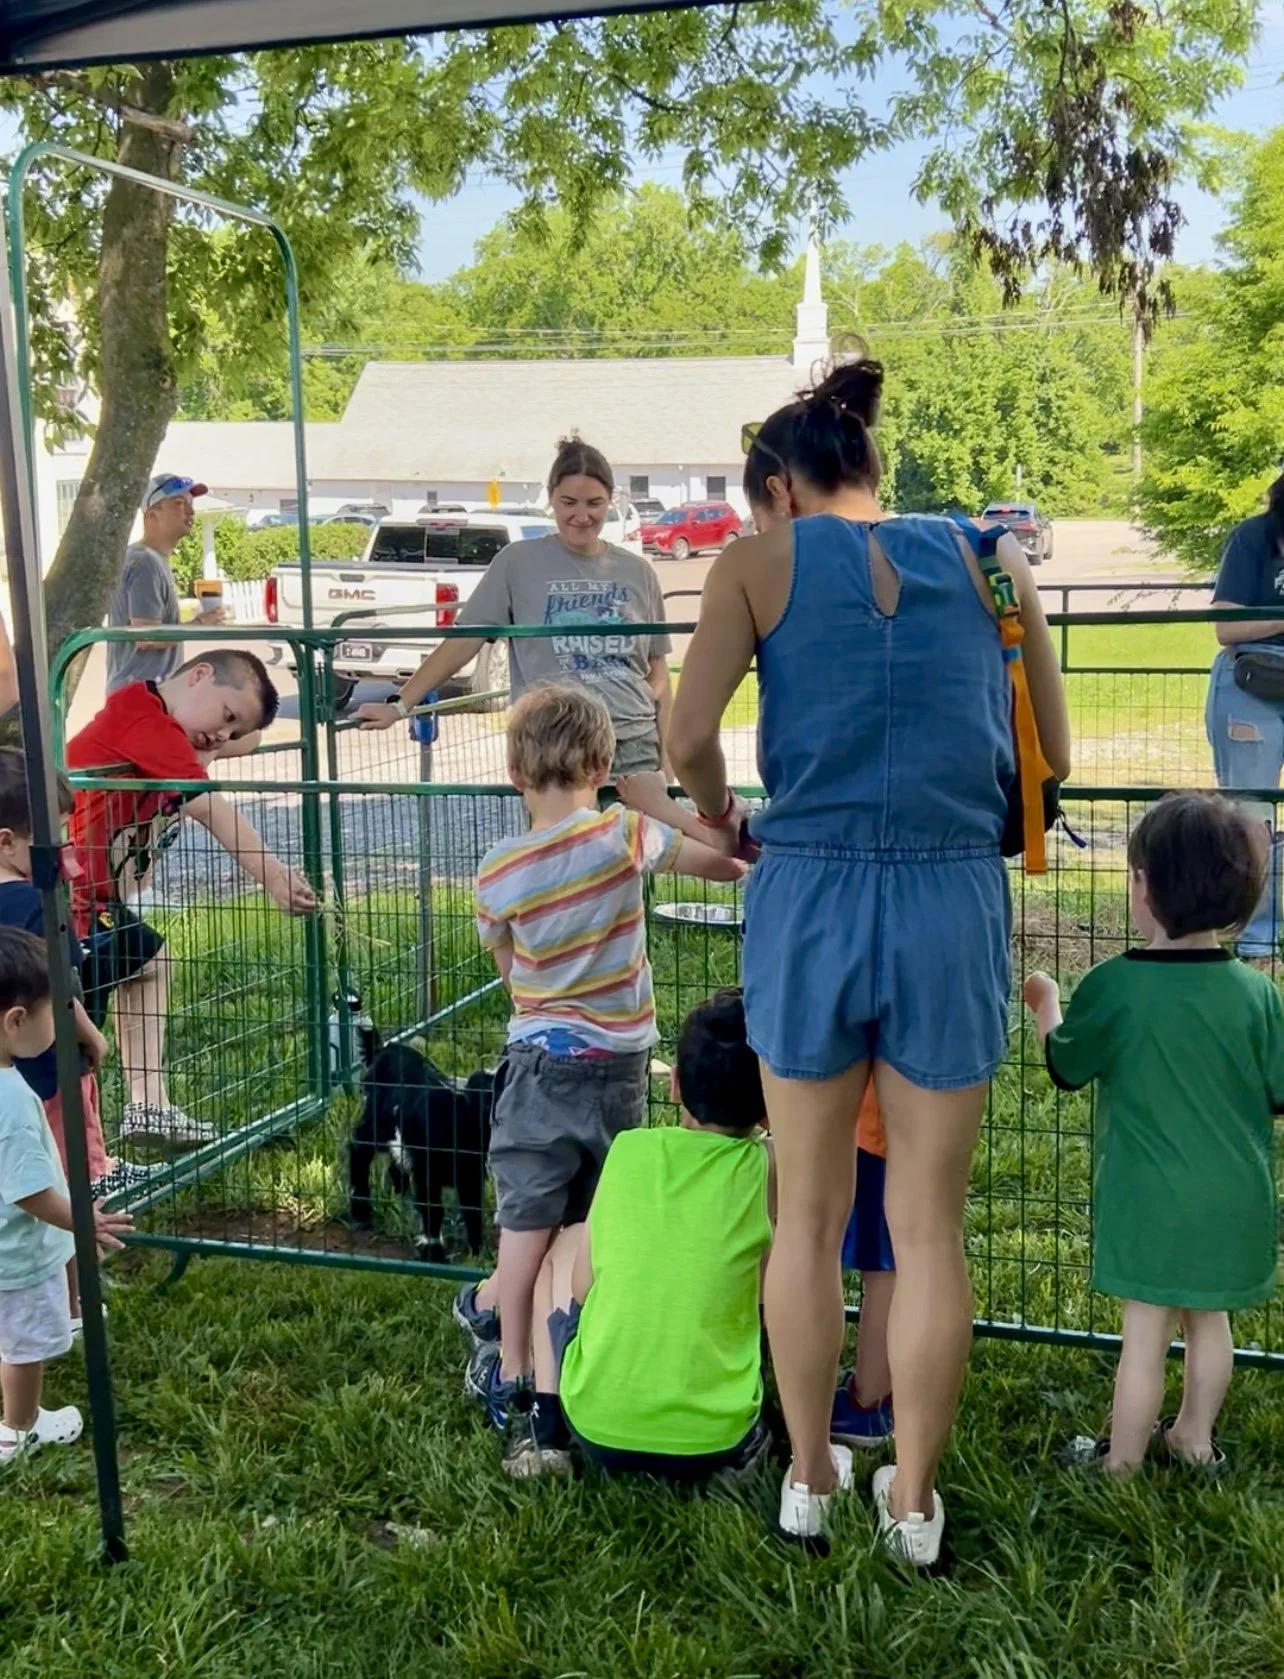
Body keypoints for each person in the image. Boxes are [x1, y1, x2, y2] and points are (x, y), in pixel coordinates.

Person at [667, 357, 1070, 1562]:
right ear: (872, 471)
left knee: (807, 1215)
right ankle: (913, 1503)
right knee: (931, 1226)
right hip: (951, 899)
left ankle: (806, 1477)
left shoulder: (754, 562)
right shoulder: (987, 557)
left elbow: (690, 737)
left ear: (777, 488)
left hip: (810, 893)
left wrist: (721, 812)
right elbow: (1053, 742)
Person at [453, 683, 746, 1435]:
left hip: (538, 1070)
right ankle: (572, 1344)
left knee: (521, 1234)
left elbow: (511, 972)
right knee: (593, 1222)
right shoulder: (623, 833)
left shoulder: (495, 870)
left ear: (516, 772)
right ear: (604, 763)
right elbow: (714, 865)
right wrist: (742, 858)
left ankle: (513, 1373)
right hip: (618, 1069)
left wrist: (549, 1004)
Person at [1024, 791, 1282, 1474]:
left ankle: (1122, 1462)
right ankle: (1194, 1440)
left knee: (1145, 1335)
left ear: (1146, 888)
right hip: (1235, 1200)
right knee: (1210, 1323)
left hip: (1147, 1201)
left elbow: (1067, 1064)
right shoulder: (1260, 994)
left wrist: (1047, 1003)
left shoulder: (1116, 985)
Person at [356, 437, 726, 850]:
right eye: (569, 502)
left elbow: (656, 675)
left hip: (631, 747)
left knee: (628, 874)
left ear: (611, 502)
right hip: (554, 747)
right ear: (551, 497)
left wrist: (668, 757)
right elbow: (464, 641)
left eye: (595, 503)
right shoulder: (517, 563)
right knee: (559, 878)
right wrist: (400, 704)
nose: (582, 516)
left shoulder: (637, 572)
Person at [503, 986, 773, 1481]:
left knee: (564, 1245)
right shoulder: (767, 1171)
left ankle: (545, 1429)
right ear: (766, 1110)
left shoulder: (628, 1150)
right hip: (718, 1439)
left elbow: (583, 1287)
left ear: (673, 1087)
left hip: (598, 1428)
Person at [66, 649, 316, 1150]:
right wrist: (273, 875)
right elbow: (210, 808)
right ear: (198, 675)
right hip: (64, 906)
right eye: (226, 717)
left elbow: (251, 735)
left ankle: (147, 1106)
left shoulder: (163, 722)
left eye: (233, 729)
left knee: (151, 962)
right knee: (73, 1046)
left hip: (93, 902)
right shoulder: (145, 722)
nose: (224, 736)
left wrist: (220, 736)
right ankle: (84, 1170)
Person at [0, 927, 133, 1463]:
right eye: (53, 1013)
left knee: (7, 1332)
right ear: (14, 1021)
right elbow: (29, 1192)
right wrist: (83, 1219)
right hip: (18, 1255)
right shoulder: (11, 1101)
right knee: (26, 1344)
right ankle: (18, 1430)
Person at [1204, 468, 1284, 959]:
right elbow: (1225, 625)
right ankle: (1255, 935)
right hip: (1251, 681)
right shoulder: (1252, 538)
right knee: (1252, 813)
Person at [106, 474, 229, 697]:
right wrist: (200, 623)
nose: (190, 512)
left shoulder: (150, 559)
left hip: (144, 693)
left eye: (190, 504)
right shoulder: (144, 562)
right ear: (151, 515)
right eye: (179, 504)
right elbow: (147, 637)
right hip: (140, 697)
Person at [830, 1086, 895, 1450]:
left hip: (867, 1120)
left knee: (886, 1266)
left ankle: (867, 1403)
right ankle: (869, 1396)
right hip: (909, 1111)